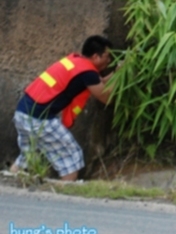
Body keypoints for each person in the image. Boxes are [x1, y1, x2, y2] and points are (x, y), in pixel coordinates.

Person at [10, 35, 114, 181]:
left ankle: (11, 183)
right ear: (96, 56)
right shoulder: (88, 73)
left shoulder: (75, 62)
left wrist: (118, 74)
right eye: (107, 57)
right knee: (71, 155)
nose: (109, 61)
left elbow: (99, 82)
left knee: (28, 155)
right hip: (39, 119)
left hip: (23, 112)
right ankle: (66, 191)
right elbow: (106, 98)